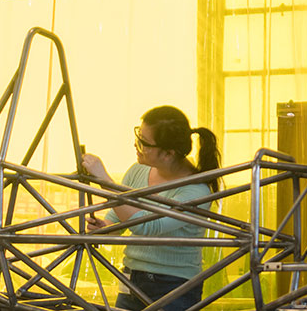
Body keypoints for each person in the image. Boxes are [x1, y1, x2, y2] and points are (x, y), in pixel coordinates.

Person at [80, 106, 221, 311]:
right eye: (138, 135)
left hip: (173, 285)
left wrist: (105, 181)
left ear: (168, 153)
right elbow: (117, 218)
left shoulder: (195, 190)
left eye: (144, 142)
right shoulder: (138, 170)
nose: (136, 145)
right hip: (131, 277)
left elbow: (149, 226)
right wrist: (105, 226)